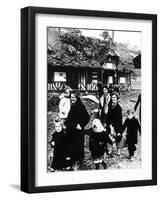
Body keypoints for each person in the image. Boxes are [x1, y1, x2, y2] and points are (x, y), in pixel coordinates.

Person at [65, 89, 90, 170]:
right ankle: (72, 162)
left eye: (73, 97)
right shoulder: (73, 105)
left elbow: (87, 117)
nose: (71, 99)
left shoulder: (81, 106)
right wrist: (66, 124)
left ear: (77, 97)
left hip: (78, 132)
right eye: (71, 97)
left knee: (78, 147)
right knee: (71, 146)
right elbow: (70, 118)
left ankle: (79, 162)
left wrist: (81, 125)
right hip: (71, 130)